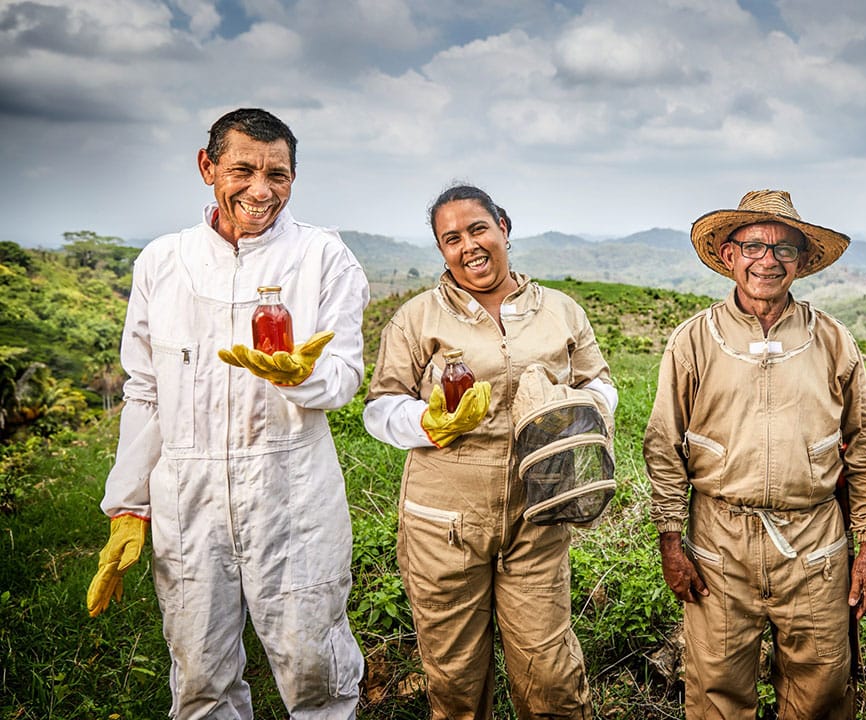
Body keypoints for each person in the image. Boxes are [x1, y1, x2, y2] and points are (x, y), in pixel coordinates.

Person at [85, 108, 369, 717]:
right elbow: (144, 389)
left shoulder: (325, 257)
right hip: (189, 500)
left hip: (293, 494)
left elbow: (345, 375)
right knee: (200, 674)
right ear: (207, 167)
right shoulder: (162, 262)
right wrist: (129, 506)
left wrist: (302, 376)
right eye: (243, 169)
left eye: (279, 174)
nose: (261, 190)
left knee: (316, 665)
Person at [362, 184, 617, 719]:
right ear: (441, 250)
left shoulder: (561, 312)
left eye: (478, 229)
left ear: (504, 225)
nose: (468, 246)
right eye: (451, 238)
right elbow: (379, 408)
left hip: (538, 513)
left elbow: (602, 385)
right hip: (444, 522)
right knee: (454, 679)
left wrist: (570, 404)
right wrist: (427, 422)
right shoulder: (417, 318)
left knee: (550, 674)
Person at [644, 189, 866, 718]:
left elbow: (862, 446)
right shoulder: (694, 341)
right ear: (729, 256)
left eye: (784, 249)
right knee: (715, 691)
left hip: (814, 545)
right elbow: (664, 446)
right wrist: (669, 539)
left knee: (821, 689)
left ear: (801, 261)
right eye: (752, 245)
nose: (767, 261)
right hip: (719, 540)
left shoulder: (833, 341)